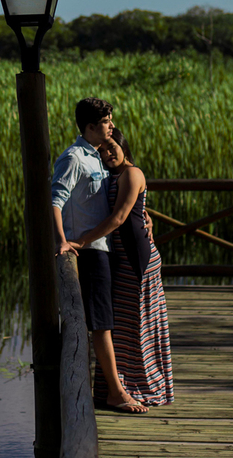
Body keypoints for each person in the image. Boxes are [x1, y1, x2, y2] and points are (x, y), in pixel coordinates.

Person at [52, 98, 149, 415]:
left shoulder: (98, 159)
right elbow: (55, 199)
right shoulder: (74, 158)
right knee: (102, 324)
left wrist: (146, 217)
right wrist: (66, 241)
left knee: (106, 321)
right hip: (91, 252)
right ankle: (115, 393)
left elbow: (119, 202)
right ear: (91, 126)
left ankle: (112, 386)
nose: (112, 126)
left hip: (105, 251)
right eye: (107, 121)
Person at [70, 125, 173, 409]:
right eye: (101, 150)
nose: (106, 153)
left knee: (138, 322)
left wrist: (80, 241)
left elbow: (118, 219)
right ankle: (121, 387)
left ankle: (142, 386)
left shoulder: (132, 173)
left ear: (123, 146)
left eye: (111, 147)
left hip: (137, 259)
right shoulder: (112, 175)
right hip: (121, 257)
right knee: (125, 324)